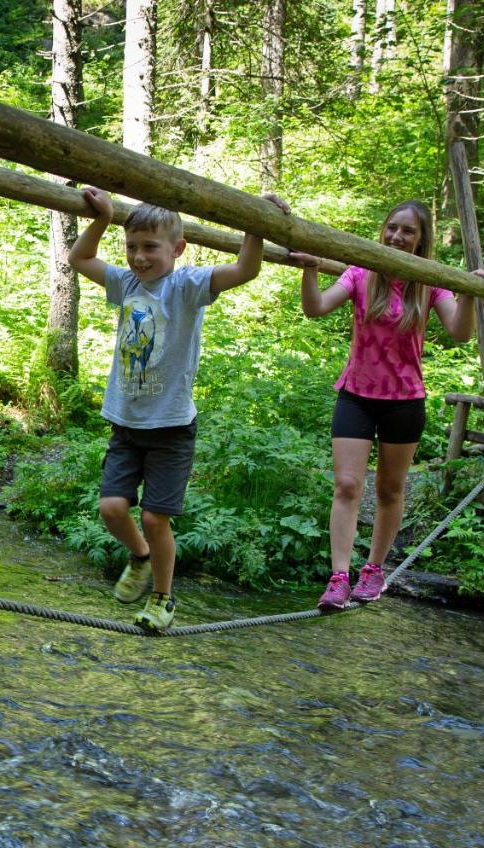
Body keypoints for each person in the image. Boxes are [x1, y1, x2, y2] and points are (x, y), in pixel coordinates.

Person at [69, 187, 290, 631]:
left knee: (155, 517)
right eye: (131, 247)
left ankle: (163, 598)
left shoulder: (187, 286)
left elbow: (246, 268)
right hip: (126, 422)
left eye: (150, 247)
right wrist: (102, 218)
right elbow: (80, 260)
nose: (139, 257)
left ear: (178, 248)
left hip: (171, 427)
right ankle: (141, 557)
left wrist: (256, 222)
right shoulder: (126, 283)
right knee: (112, 508)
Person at [289, 200, 484, 610]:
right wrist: (310, 270)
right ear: (383, 230)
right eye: (392, 228)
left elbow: (459, 332)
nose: (397, 236)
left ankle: (374, 569)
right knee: (347, 485)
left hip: (404, 399)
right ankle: (339, 577)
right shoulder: (360, 271)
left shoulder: (431, 281)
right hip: (357, 395)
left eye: (408, 231)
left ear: (421, 241)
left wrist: (471, 293)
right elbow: (315, 308)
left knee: (389, 489)